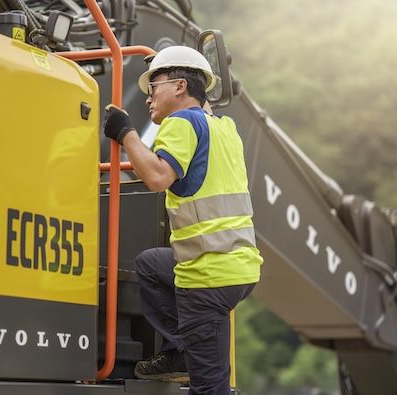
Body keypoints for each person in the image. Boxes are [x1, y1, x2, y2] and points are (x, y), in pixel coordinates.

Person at [102, 45, 263, 395]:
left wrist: (126, 132)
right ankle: (180, 352)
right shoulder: (225, 128)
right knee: (150, 264)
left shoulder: (179, 123)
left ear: (179, 87)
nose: (148, 97)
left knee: (209, 390)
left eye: (153, 85)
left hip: (206, 276)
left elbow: (158, 177)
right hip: (239, 267)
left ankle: (187, 354)